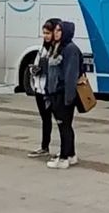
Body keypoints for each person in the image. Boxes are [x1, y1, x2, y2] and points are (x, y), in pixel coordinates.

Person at [46, 21, 82, 169]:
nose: (56, 33)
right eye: (56, 30)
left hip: (63, 94)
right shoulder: (59, 47)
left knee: (64, 126)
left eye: (60, 30)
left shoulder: (70, 49)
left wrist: (68, 97)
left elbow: (70, 75)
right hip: (56, 92)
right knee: (65, 126)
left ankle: (64, 157)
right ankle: (71, 154)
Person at [27, 18, 61, 158]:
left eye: (48, 33)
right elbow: (36, 63)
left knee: (60, 120)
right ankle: (44, 146)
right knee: (45, 119)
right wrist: (34, 70)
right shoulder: (42, 48)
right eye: (44, 33)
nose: (45, 36)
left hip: (51, 90)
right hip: (39, 88)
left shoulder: (58, 49)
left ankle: (65, 150)